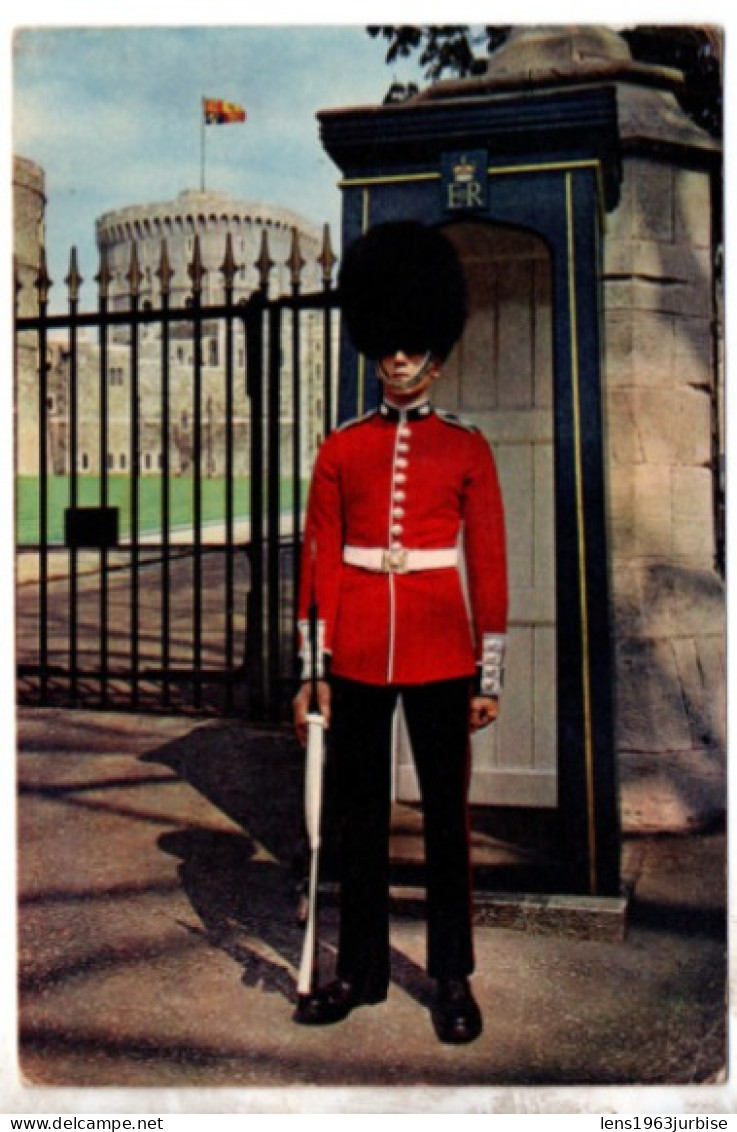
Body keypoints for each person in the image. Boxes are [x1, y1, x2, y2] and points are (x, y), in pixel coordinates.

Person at [292, 220, 508, 1045]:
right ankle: (361, 971)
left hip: (440, 651)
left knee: (447, 822)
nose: (397, 361)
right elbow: (318, 563)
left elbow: (485, 562)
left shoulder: (466, 448)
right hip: (355, 654)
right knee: (357, 817)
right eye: (386, 346)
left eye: (411, 347)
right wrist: (314, 669)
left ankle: (451, 975)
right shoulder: (342, 448)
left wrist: (486, 673)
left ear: (436, 358)